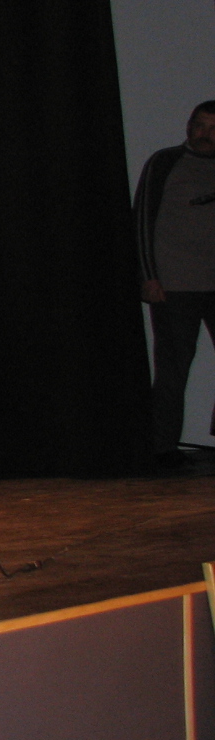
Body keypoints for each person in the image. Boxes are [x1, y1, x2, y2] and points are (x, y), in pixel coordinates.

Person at [135, 100, 215, 467]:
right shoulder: (165, 162)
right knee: (173, 369)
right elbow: (142, 220)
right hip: (175, 285)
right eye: (199, 125)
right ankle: (162, 447)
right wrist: (148, 275)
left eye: (213, 128)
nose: (204, 134)